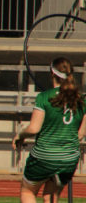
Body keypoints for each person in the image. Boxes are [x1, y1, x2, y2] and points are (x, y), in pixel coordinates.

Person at [12, 57, 86, 203]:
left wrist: (19, 135)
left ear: (52, 73)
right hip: (68, 158)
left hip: (44, 156)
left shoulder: (44, 97)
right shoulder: (82, 100)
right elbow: (81, 134)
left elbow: (34, 128)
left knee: (27, 192)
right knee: (50, 197)